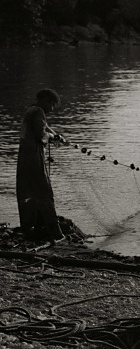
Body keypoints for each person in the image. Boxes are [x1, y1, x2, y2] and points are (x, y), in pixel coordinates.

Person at [16, 88, 65, 243]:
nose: (52, 108)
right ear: (44, 100)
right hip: (34, 157)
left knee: (28, 192)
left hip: (24, 158)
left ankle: (30, 228)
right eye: (52, 104)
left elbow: (45, 127)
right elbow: (41, 135)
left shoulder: (31, 110)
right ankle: (54, 231)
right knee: (44, 192)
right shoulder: (39, 111)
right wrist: (51, 137)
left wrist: (57, 136)